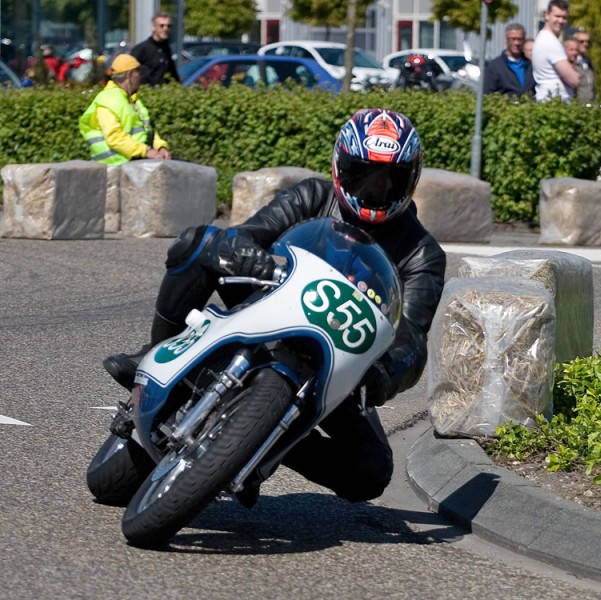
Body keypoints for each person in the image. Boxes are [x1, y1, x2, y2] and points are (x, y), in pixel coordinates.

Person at [102, 109, 447, 506]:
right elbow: (251, 231)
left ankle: (265, 446)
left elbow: (411, 337)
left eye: (390, 180)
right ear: (341, 166)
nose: (376, 189)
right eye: (364, 174)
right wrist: (244, 249)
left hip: (335, 366)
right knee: (201, 243)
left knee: (371, 470)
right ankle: (158, 350)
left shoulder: (423, 253)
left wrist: (386, 374)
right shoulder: (312, 196)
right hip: (263, 305)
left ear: (411, 180)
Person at [78, 54, 172, 165]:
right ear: (130, 74)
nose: (140, 76)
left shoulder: (132, 99)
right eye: (138, 72)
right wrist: (145, 151)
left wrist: (161, 147)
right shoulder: (108, 100)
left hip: (137, 160)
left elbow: (148, 131)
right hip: (118, 165)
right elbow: (115, 137)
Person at [533, 0, 580, 102]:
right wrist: (575, 74)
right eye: (557, 16)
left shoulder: (544, 38)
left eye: (564, 17)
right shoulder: (550, 41)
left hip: (552, 102)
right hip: (553, 104)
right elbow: (573, 80)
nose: (561, 21)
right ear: (547, 15)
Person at [483, 23, 535, 96]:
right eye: (513, 39)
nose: (516, 43)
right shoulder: (495, 67)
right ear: (506, 40)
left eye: (519, 39)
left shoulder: (531, 65)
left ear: (524, 41)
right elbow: (487, 94)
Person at [130, 12, 180, 85]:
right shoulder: (142, 49)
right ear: (153, 27)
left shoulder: (166, 48)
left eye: (168, 26)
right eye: (161, 26)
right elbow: (130, 71)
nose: (165, 29)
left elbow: (172, 73)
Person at [572, 29, 596, 102]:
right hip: (577, 105)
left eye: (587, 42)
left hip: (589, 105)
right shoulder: (572, 62)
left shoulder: (588, 62)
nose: (585, 44)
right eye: (581, 41)